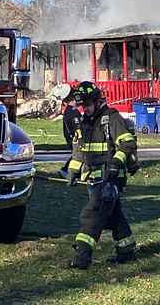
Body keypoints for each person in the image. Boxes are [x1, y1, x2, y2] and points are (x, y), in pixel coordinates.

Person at [63, 81, 140, 270]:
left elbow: (127, 144)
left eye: (88, 105)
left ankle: (83, 256)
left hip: (111, 177)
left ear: (98, 101)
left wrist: (115, 163)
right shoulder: (85, 122)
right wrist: (73, 170)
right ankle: (126, 249)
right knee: (113, 216)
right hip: (94, 177)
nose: (85, 109)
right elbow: (79, 150)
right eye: (83, 106)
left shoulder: (111, 119)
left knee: (92, 214)